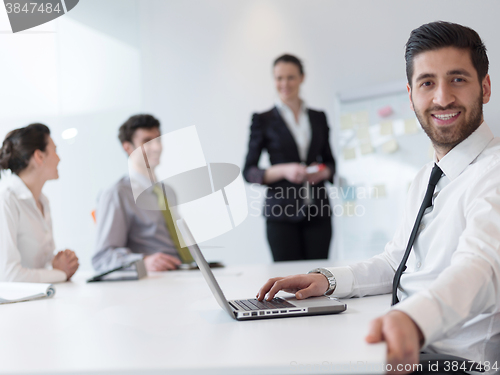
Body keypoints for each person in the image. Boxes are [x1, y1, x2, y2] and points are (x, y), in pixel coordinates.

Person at [257, 21, 500, 374]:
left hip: (459, 363)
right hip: (414, 347)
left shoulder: (494, 172)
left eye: (458, 79)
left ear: (485, 87)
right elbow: (395, 263)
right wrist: (327, 279)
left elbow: (483, 266)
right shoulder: (424, 179)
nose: (442, 97)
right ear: (411, 94)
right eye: (427, 82)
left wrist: (414, 320)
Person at [243, 54, 336, 262]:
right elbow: (249, 171)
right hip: (280, 215)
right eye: (279, 78)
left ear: (302, 78)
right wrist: (285, 170)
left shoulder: (318, 117)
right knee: (287, 279)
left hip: (318, 212)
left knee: (319, 276)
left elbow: (331, 162)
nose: (284, 84)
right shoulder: (262, 120)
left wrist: (324, 172)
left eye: (290, 77)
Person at [92, 114, 187, 273]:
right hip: (155, 280)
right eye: (147, 141)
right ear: (128, 147)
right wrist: (143, 262)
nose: (156, 147)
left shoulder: (168, 192)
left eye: (158, 139)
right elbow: (103, 257)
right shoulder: (117, 194)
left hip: (184, 272)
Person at [0, 123, 79, 282]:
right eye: (55, 151)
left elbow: (37, 268)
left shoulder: (43, 202)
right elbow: (8, 275)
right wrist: (60, 273)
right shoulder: (7, 200)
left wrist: (61, 264)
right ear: (39, 156)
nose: (59, 158)